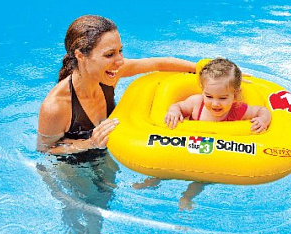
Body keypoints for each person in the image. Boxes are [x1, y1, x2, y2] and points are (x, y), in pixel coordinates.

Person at [37, 14, 196, 154]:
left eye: (120, 51)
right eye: (109, 54)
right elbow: (45, 149)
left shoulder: (110, 74)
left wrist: (200, 68)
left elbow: (158, 64)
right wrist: (90, 143)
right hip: (70, 167)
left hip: (106, 152)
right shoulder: (56, 107)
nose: (120, 61)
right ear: (80, 55)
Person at [164, 58, 271, 132]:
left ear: (235, 95)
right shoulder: (196, 103)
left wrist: (263, 120)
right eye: (209, 96)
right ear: (203, 90)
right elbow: (177, 106)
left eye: (223, 98)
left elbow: (261, 110)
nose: (215, 103)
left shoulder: (237, 110)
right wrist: (174, 111)